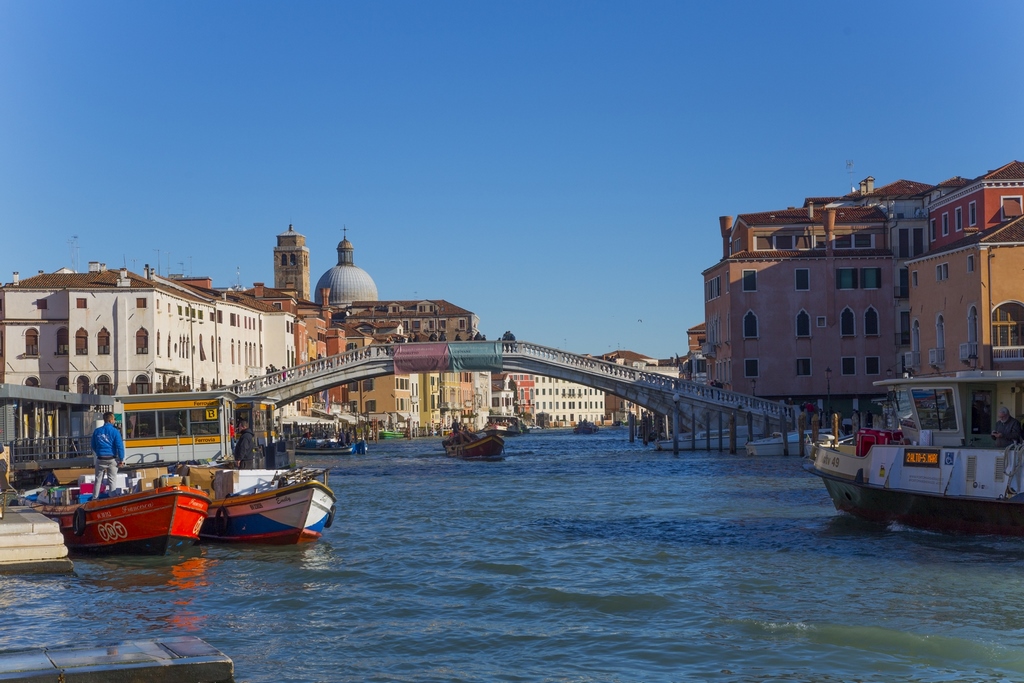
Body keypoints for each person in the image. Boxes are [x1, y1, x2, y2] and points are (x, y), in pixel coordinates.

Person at [91, 412, 125, 498]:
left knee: (98, 480)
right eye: (114, 419)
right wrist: (121, 459)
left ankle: (95, 498)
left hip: (100, 458)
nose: (114, 421)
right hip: (112, 458)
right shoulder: (115, 432)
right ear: (110, 420)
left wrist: (99, 452)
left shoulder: (97, 431)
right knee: (112, 480)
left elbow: (93, 445)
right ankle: (112, 498)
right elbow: (120, 447)